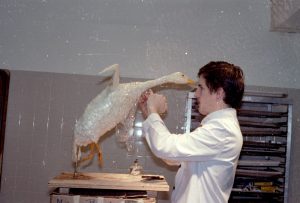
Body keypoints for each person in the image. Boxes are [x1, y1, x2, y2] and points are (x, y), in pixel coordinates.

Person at [138, 61, 245, 203]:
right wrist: (150, 113)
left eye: (201, 88)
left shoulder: (222, 130)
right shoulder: (215, 127)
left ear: (219, 93)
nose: (196, 94)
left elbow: (166, 148)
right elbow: (172, 157)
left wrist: (153, 111)